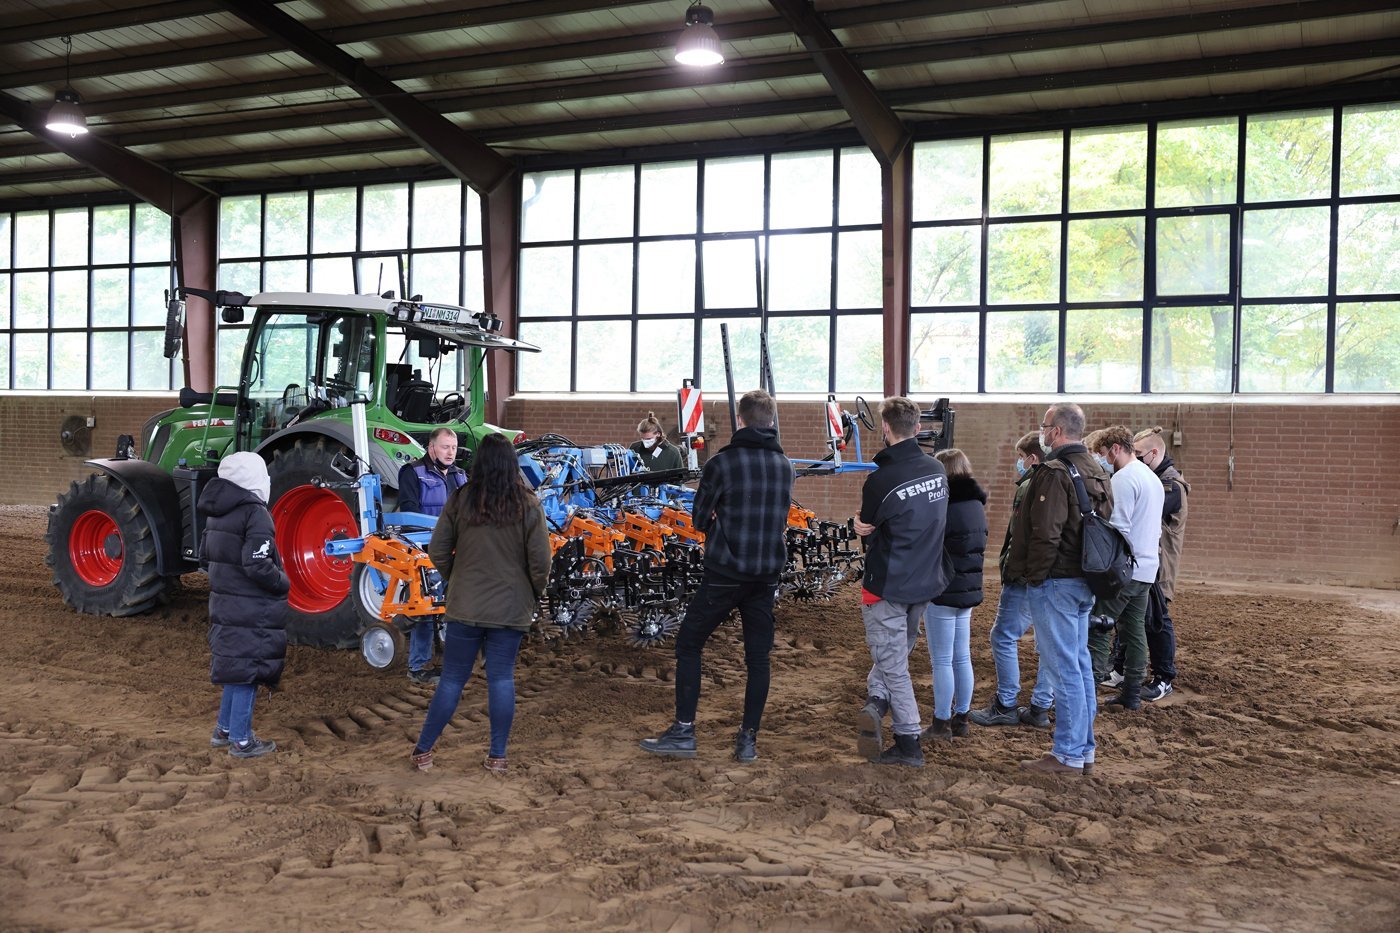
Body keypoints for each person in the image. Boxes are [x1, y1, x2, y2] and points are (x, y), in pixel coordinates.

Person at [641, 390, 795, 764]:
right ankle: (747, 740)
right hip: (766, 575)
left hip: (725, 572)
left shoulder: (722, 465)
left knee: (689, 644)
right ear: (771, 421)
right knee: (758, 658)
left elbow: (698, 518)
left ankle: (684, 730)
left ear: (739, 420)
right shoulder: (785, 466)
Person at [411, 432, 551, 773]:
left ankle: (424, 751)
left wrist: (456, 578)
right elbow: (541, 561)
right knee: (501, 679)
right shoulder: (528, 503)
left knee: (452, 680)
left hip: (465, 606)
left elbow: (438, 550)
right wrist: (534, 593)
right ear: (511, 463)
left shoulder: (461, 498)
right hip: (511, 607)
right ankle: (498, 757)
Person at [1003, 403, 1111, 775]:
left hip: (1056, 583)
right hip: (1084, 580)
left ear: (1057, 432)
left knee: (1064, 669)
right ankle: (1083, 748)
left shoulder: (1053, 472)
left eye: (1045, 427)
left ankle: (1066, 753)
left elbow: (1044, 533)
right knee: (1079, 667)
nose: (1042, 432)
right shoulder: (1096, 468)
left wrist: (1035, 578)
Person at [852, 397, 950, 769]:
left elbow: (868, 528)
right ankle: (876, 703)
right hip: (925, 580)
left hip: (888, 583)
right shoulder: (936, 470)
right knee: (894, 651)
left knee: (892, 661)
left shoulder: (881, 480)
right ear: (919, 428)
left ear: (887, 429)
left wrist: (860, 526)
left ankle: (909, 741)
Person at [200, 451, 290, 760]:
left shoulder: (217, 511)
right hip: (251, 605)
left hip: (224, 601)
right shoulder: (255, 513)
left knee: (234, 667)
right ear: (256, 479)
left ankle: (223, 730)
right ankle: (241, 741)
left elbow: (203, 557)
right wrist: (282, 581)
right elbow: (256, 564)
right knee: (248, 670)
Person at [968, 432, 1056, 730]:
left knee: (1003, 636)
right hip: (1053, 577)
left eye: (1021, 457)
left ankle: (1006, 703)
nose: (1019, 463)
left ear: (1032, 458)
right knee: (1047, 642)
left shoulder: (1030, 485)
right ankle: (1041, 705)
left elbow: (1020, 537)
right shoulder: (1067, 478)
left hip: (1025, 576)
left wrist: (1011, 571)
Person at [1085, 425, 1163, 712]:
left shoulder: (1123, 478)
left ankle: (1089, 694)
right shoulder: (1151, 478)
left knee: (1099, 630)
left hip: (1125, 570)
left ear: (1115, 448)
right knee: (1134, 632)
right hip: (1146, 569)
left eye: (1103, 453)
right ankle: (1131, 694)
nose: (1102, 458)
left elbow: (1119, 528)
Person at [921, 448, 987, 743]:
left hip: (943, 590)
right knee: (962, 656)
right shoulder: (976, 504)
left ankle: (940, 722)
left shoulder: (942, 506)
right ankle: (961, 717)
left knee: (942, 661)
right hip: (967, 589)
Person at [397, 427, 467, 685]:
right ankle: (418, 666)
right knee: (426, 607)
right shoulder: (413, 473)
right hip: (426, 552)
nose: (450, 453)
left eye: (453, 447)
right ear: (431, 447)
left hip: (457, 552)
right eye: (445, 447)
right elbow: (409, 515)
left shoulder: (460, 476)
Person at [1135, 426, 1189, 701]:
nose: (1135, 460)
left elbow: (1147, 510)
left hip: (1160, 566)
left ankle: (1164, 677)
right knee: (1142, 619)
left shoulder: (1171, 486)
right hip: (1148, 563)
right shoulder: (1156, 480)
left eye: (1138, 455)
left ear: (1154, 453)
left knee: (1158, 621)